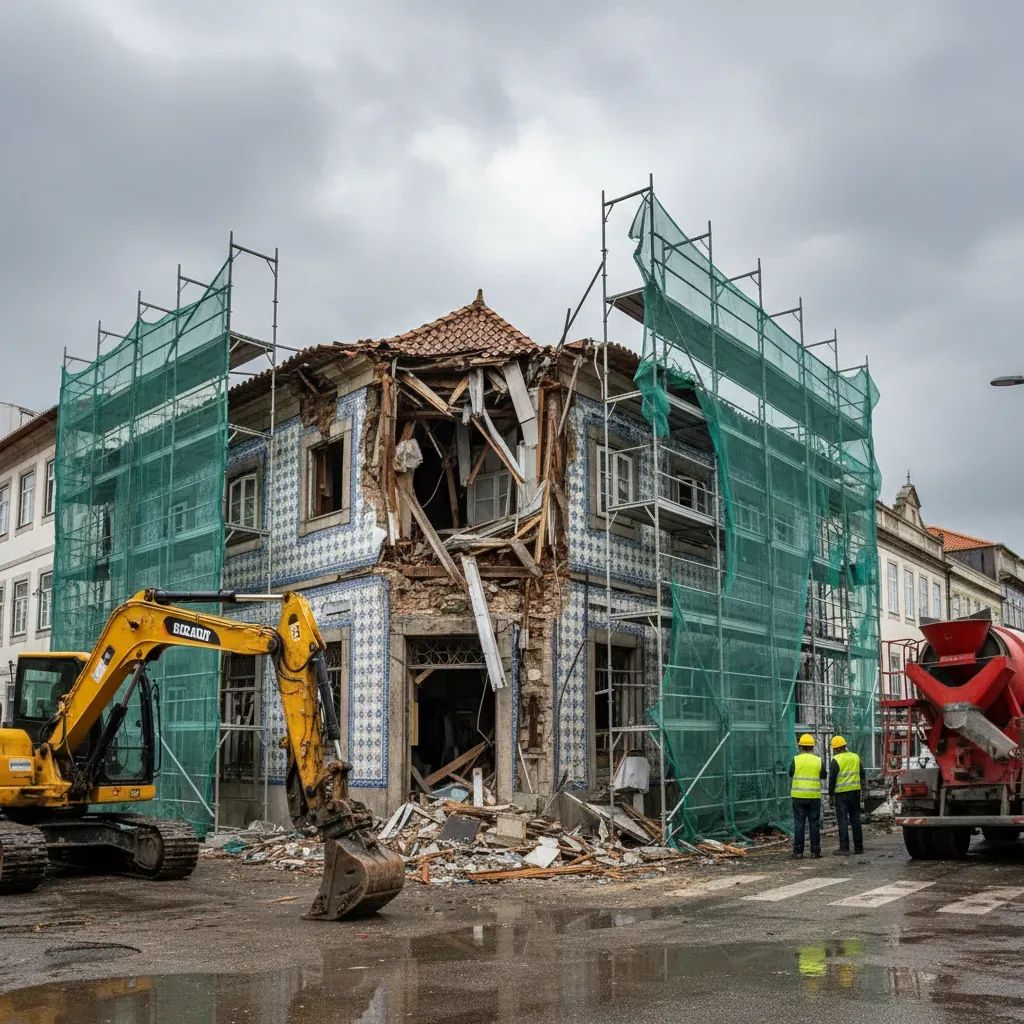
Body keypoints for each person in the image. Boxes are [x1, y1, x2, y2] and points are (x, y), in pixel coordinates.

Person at [789, 734, 826, 859]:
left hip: (798, 796)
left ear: (800, 747)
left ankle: (798, 852)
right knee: (814, 824)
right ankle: (815, 851)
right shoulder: (818, 760)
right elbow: (823, 775)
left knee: (799, 824)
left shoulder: (796, 759)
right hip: (814, 796)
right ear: (812, 747)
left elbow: (790, 773)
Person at [829, 735, 866, 856]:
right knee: (856, 820)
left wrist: (831, 795)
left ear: (835, 748)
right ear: (845, 746)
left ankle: (844, 848)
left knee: (843, 821)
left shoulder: (836, 760)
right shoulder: (855, 757)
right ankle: (859, 848)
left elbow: (832, 779)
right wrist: (864, 788)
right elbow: (862, 773)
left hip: (841, 795)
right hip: (855, 792)